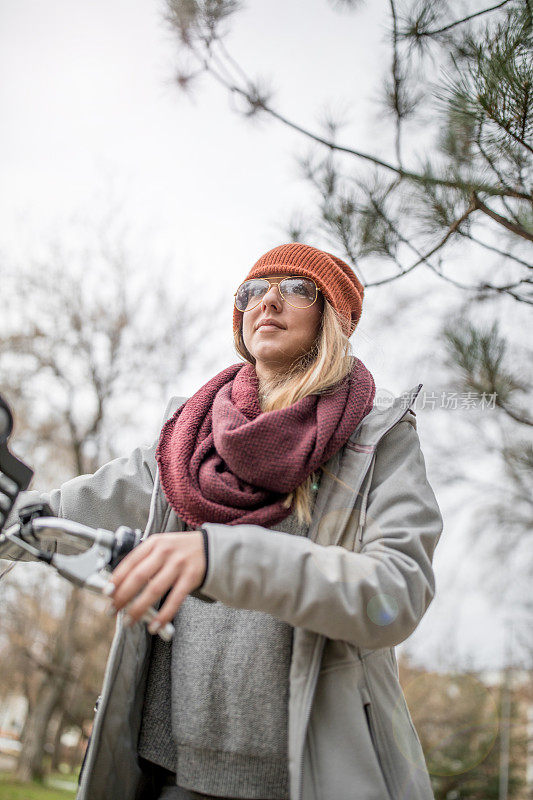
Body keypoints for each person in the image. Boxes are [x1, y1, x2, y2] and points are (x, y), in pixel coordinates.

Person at [5, 243, 443, 800]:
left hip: (304, 776)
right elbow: (66, 511)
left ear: (330, 315)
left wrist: (221, 558)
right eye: (253, 290)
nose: (269, 301)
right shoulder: (188, 433)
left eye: (296, 288)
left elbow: (396, 593)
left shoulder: (378, 440)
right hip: (168, 770)